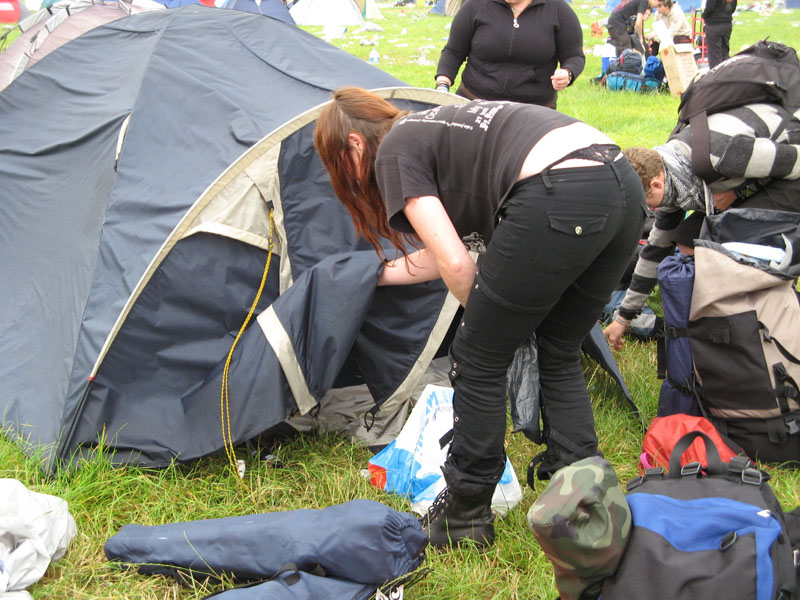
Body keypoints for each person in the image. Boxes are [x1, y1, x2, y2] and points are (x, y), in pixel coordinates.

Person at [314, 87, 646, 549]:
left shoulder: (392, 151)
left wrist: (489, 329)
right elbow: (444, 251)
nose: (347, 178)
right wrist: (373, 275)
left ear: (353, 143)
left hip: (560, 190)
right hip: (620, 185)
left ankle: (465, 515)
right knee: (559, 346)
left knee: (479, 357)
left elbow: (456, 265)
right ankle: (585, 500)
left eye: (338, 163)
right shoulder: (436, 128)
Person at [604, 103, 800, 350]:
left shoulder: (720, 157)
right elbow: (655, 250)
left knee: (726, 242)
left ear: (655, 184)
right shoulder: (671, 175)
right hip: (744, 177)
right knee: (687, 243)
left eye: (647, 204)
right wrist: (623, 318)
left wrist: (739, 191)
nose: (648, 212)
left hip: (789, 174)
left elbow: (794, 161)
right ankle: (708, 317)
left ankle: (763, 316)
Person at [433, 0, 585, 109]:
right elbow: (453, 52)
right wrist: (442, 85)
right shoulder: (475, 6)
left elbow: (574, 56)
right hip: (475, 103)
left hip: (535, 110)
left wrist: (567, 73)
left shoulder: (558, 9)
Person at [702, 0, 737, 68]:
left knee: (714, 55)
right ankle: (726, 72)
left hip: (714, 24)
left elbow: (710, 7)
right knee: (724, 51)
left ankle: (716, 75)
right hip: (727, 23)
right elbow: (733, 8)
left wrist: (704, 16)